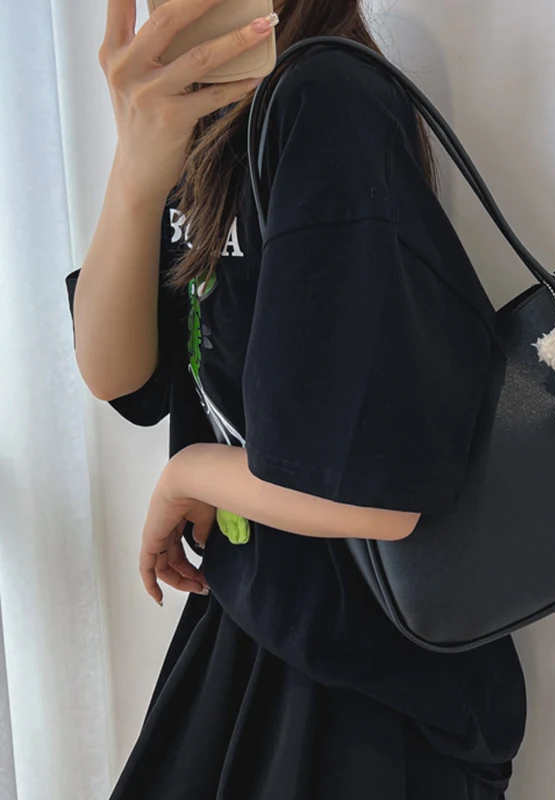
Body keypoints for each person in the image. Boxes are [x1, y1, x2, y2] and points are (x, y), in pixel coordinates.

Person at [67, 1, 527, 797]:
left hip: (369, 680)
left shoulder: (325, 97)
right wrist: (135, 171)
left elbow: (377, 498)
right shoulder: (202, 122)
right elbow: (116, 374)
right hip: (254, 621)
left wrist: (187, 475)